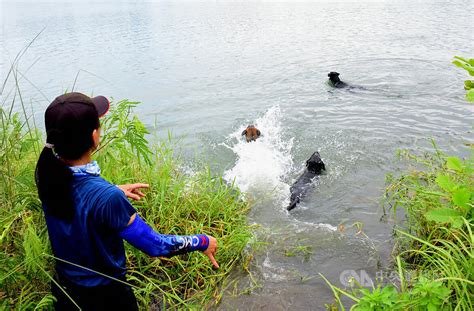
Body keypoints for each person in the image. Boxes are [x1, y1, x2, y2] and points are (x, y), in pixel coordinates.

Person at [35, 92, 218, 310]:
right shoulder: (106, 198)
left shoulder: (47, 174)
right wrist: (203, 241)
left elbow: (79, 200)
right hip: (107, 298)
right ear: (94, 136)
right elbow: (154, 245)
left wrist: (113, 190)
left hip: (65, 292)